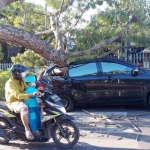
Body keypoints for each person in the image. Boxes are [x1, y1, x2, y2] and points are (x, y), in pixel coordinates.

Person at [5, 64, 41, 140]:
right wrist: (32, 94)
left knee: (39, 103)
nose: (24, 74)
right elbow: (17, 95)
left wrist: (37, 89)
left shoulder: (22, 81)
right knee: (24, 108)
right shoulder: (10, 83)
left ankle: (36, 124)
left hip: (23, 99)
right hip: (14, 101)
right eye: (22, 72)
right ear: (17, 73)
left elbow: (28, 88)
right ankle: (27, 130)